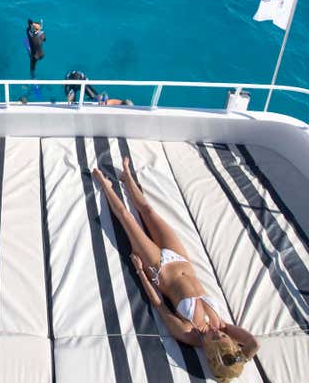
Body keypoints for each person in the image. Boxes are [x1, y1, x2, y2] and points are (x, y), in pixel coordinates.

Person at [92, 158, 260, 382]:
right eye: (223, 337)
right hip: (181, 259)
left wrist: (141, 271)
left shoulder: (189, 334)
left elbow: (160, 305)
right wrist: (237, 358)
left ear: (209, 351)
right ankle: (126, 176)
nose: (219, 334)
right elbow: (254, 344)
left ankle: (105, 185)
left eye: (216, 338)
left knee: (126, 217)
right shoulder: (223, 326)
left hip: (158, 268)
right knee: (149, 211)